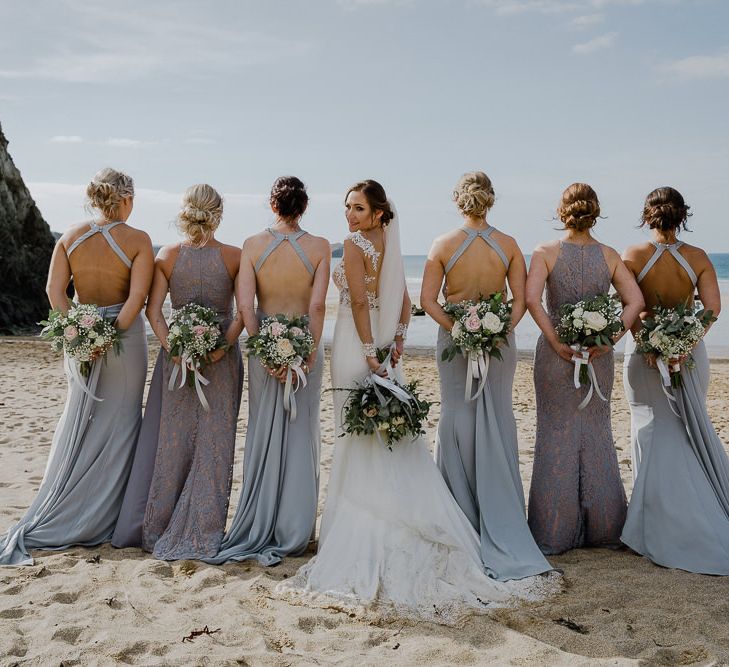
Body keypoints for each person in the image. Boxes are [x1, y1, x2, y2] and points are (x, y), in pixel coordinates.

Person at [278, 180, 557, 623]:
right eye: (347, 208)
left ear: (377, 213)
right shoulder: (392, 241)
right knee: (392, 431)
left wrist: (372, 355)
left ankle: (366, 520)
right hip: (387, 346)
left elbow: (356, 306)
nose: (348, 216)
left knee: (358, 429)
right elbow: (406, 303)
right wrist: (399, 342)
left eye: (357, 208)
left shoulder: (352, 246)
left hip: (359, 346)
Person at [0, 167, 153, 565]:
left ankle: (71, 501)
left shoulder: (69, 237)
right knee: (121, 424)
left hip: (81, 339)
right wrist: (109, 337)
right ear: (124, 200)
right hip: (124, 340)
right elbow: (136, 299)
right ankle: (106, 514)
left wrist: (78, 335)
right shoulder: (138, 240)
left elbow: (54, 291)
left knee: (81, 419)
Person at [421, 171, 552, 580]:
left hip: (455, 342)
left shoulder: (442, 244)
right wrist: (496, 331)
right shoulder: (509, 244)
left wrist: (459, 329)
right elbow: (520, 302)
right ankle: (500, 513)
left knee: (456, 417)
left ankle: (459, 512)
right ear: (490, 199)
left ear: (458, 200)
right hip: (497, 345)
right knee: (497, 417)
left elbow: (427, 301)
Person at [112, 184, 243, 560]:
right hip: (221, 364)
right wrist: (221, 348)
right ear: (218, 213)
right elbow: (244, 316)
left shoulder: (166, 255)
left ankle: (161, 526)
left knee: (175, 441)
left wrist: (177, 349)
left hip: (177, 364)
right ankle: (204, 528)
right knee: (215, 444)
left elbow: (154, 313)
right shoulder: (235, 256)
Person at [204, 175, 330, 566]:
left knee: (263, 429)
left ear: (272, 206)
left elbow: (245, 307)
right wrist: (305, 352)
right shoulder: (321, 246)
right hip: (306, 349)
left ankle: (260, 519)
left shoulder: (253, 246)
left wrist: (262, 347)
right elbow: (318, 308)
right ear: (304, 207)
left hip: (264, 350)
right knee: (302, 431)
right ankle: (295, 529)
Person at [525, 182, 643, 555]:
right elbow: (635, 300)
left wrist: (556, 341)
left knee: (555, 434)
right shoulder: (608, 255)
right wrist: (607, 340)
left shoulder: (544, 252)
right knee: (596, 434)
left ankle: (554, 533)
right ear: (594, 212)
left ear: (563, 212)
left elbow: (531, 300)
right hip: (597, 357)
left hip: (556, 356)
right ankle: (605, 530)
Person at [621, 187, 729, 574]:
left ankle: (653, 522)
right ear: (682, 215)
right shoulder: (697, 257)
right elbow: (712, 308)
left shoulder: (632, 256)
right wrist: (682, 345)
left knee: (649, 430)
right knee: (685, 429)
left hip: (645, 356)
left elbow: (630, 309)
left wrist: (651, 343)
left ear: (647, 215)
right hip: (689, 356)